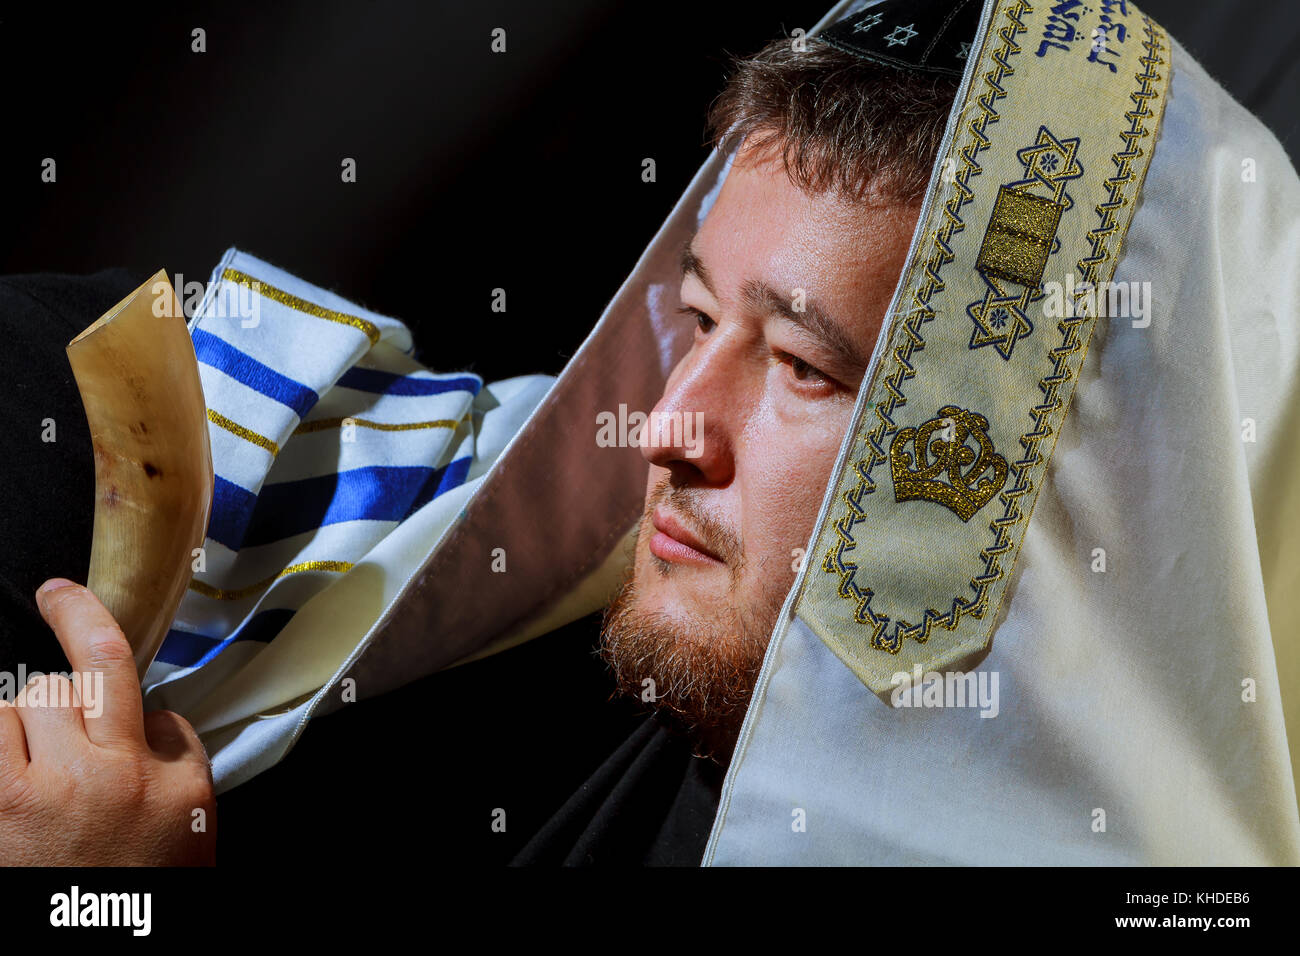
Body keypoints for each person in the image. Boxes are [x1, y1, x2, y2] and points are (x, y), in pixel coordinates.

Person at [1, 0, 1298, 866]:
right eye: (691, 321)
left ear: (1064, 486)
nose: (671, 428)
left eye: (799, 366)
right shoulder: (520, 612)